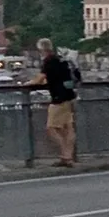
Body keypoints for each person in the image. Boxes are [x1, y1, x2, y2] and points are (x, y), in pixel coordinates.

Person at [34, 37, 78, 166]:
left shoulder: (49, 61)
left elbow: (39, 79)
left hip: (58, 98)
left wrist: (27, 84)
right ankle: (68, 157)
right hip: (69, 95)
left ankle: (65, 155)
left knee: (51, 128)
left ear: (41, 49)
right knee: (68, 128)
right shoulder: (61, 59)